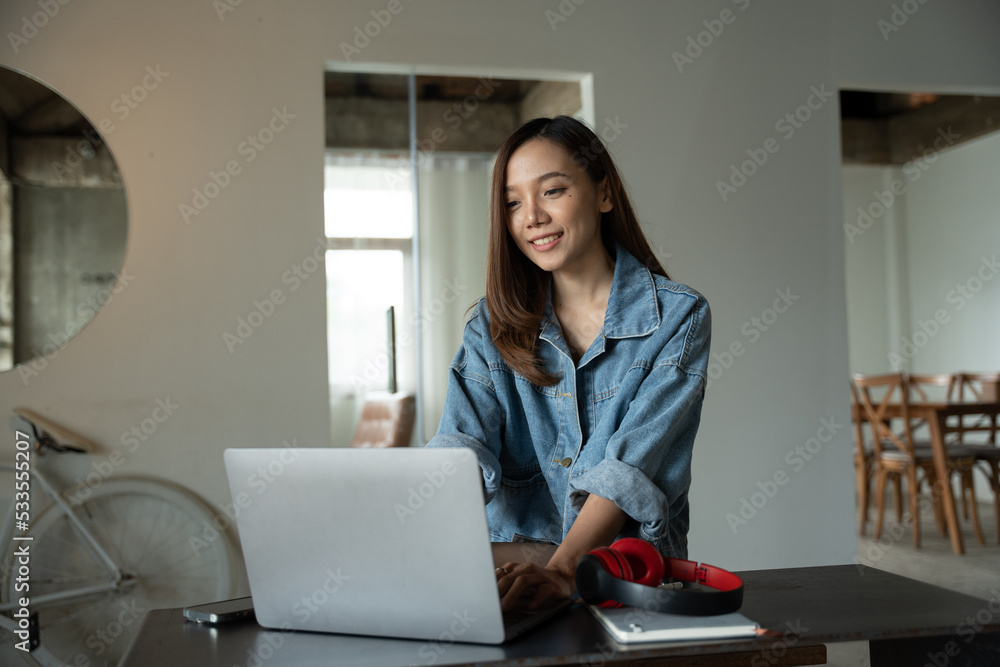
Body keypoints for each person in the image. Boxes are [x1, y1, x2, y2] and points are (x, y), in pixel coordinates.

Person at [426, 116, 711, 611]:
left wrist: (561, 571)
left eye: (552, 191)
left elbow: (626, 471)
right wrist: (420, 539)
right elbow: (461, 448)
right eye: (513, 202)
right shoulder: (489, 328)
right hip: (514, 574)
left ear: (604, 194)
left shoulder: (678, 317)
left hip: (621, 579)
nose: (531, 216)